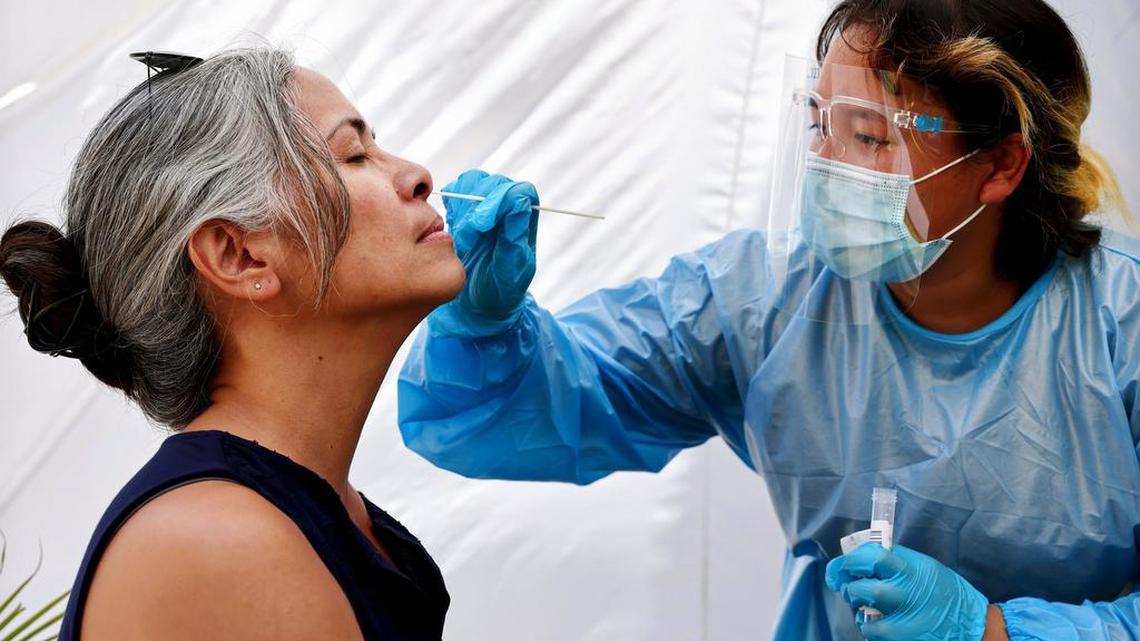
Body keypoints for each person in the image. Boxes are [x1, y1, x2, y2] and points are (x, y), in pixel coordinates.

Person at [397, 1, 1137, 640]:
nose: (826, 164)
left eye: (870, 136)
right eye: (818, 123)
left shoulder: (1121, 326)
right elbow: (509, 417)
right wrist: (486, 323)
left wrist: (997, 630)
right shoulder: (762, 298)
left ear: (1002, 164)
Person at [0, 47, 461, 641]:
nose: (416, 174)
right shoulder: (219, 543)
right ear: (238, 255)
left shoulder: (301, 510)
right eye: (353, 154)